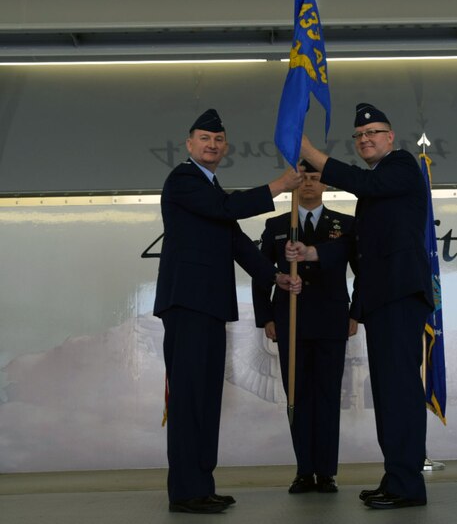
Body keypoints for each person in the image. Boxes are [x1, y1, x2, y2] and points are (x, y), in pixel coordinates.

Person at [153, 108, 303, 514]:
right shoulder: (184, 180)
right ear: (189, 144)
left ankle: (201, 483)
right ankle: (185, 491)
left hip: (210, 306)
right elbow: (227, 210)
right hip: (186, 304)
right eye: (205, 138)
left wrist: (276, 277)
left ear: (226, 148)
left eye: (218, 140)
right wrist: (279, 185)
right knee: (188, 399)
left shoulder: (212, 190)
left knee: (205, 398)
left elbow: (236, 242)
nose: (212, 145)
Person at [285, 103, 434, 510]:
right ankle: (397, 478)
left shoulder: (402, 166)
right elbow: (356, 246)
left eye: (374, 133)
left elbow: (360, 184)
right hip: (383, 300)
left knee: (400, 391)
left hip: (400, 296)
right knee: (388, 393)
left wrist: (312, 153)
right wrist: (314, 254)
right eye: (359, 136)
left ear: (390, 138)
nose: (366, 140)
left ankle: (407, 485)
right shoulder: (380, 186)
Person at [252, 160, 357, 495]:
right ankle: (303, 470)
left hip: (330, 321)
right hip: (290, 321)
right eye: (304, 178)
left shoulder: (346, 224)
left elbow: (363, 270)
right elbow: (261, 272)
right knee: (297, 395)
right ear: (294, 184)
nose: (309, 183)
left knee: (327, 396)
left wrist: (357, 313)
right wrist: (266, 316)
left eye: (315, 177)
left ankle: (326, 472)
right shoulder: (278, 224)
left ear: (326, 185)